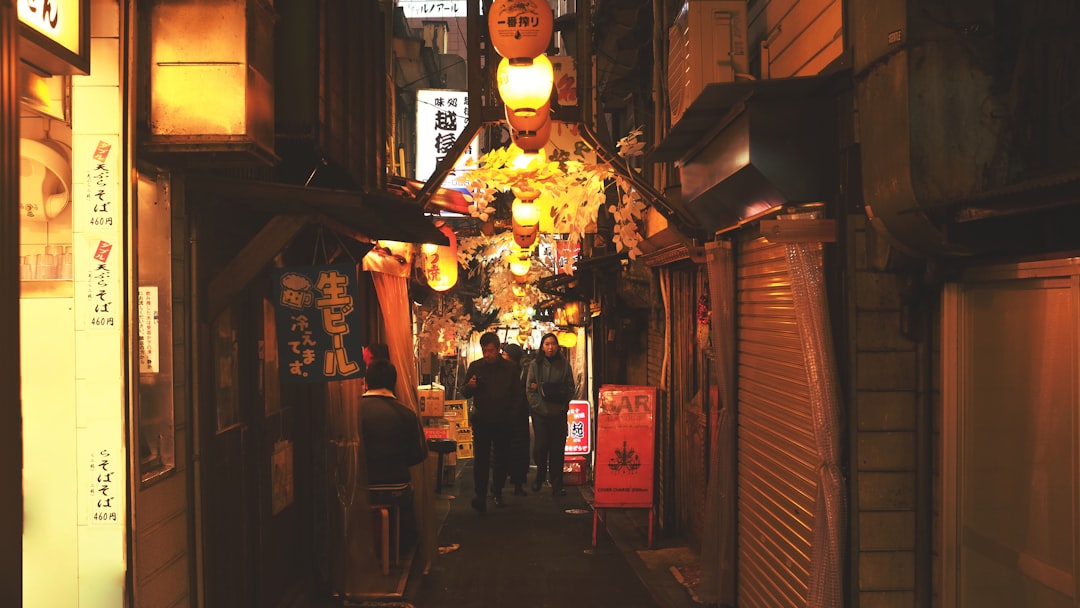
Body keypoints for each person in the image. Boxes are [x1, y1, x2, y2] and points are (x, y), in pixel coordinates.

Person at [358, 359, 429, 552]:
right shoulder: (406, 414)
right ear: (393, 382)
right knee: (406, 493)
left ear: (366, 381)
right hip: (396, 486)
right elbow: (418, 455)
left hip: (360, 487)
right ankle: (400, 548)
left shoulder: (354, 411)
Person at [460, 332, 521, 511]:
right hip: (482, 419)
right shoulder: (476, 366)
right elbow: (464, 392)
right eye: (485, 350)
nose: (487, 354)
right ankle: (480, 495)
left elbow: (518, 394)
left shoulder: (510, 368)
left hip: (503, 420)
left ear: (498, 348)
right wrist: (470, 386)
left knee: (502, 458)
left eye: (491, 350)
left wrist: (512, 414)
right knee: (481, 459)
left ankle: (498, 491)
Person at [526, 332, 576, 496]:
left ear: (557, 346)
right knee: (541, 447)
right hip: (541, 413)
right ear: (542, 347)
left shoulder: (564, 364)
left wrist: (563, 405)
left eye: (553, 344)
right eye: (547, 344)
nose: (550, 347)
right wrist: (538, 406)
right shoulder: (535, 365)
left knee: (557, 449)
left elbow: (570, 387)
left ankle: (557, 484)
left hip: (559, 412)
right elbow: (530, 389)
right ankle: (540, 474)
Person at [497, 342, 531, 496]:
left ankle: (517, 483)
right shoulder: (503, 370)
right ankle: (501, 484)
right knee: (505, 450)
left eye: (505, 354)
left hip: (518, 416)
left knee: (518, 451)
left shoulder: (523, 372)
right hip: (505, 415)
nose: (503, 357)